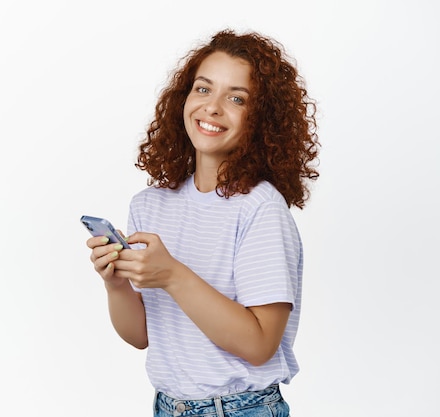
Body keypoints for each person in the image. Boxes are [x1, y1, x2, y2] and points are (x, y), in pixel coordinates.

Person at [86, 28, 319, 417]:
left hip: (242, 409)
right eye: (203, 89)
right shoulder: (150, 205)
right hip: (168, 406)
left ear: (261, 119)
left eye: (237, 98)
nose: (212, 108)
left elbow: (260, 345)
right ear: (184, 97)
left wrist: (172, 275)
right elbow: (142, 335)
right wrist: (116, 284)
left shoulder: (260, 208)